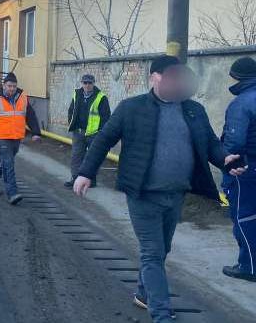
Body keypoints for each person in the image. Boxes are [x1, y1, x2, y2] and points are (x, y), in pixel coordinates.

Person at [73, 55, 246, 323]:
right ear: (155, 78)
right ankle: (162, 314)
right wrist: (85, 173)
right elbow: (104, 139)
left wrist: (225, 160)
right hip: (142, 194)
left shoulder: (193, 110)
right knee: (152, 253)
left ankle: (143, 293)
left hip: (175, 194)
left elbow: (210, 143)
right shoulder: (132, 108)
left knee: (162, 249)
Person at [0, 72, 42, 205]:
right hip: (1, 136)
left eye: (14, 86)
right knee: (8, 163)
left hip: (16, 136)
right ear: (4, 86)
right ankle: (12, 193)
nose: (11, 88)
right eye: (9, 86)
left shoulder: (23, 98)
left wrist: (36, 132)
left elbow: (30, 115)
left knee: (4, 161)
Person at [221, 57, 256, 282]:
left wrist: (228, 167)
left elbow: (233, 142)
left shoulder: (241, 103)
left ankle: (248, 267)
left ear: (238, 77)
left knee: (245, 218)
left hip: (246, 170)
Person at [64, 73, 111, 188]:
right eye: (85, 83)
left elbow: (106, 117)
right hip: (79, 132)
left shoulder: (101, 97)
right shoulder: (77, 94)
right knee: (76, 156)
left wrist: (101, 132)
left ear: (93, 83)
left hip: (93, 133)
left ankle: (91, 180)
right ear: (82, 83)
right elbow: (71, 110)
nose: (87, 85)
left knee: (92, 157)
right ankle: (75, 179)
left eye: (90, 83)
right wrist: (72, 122)